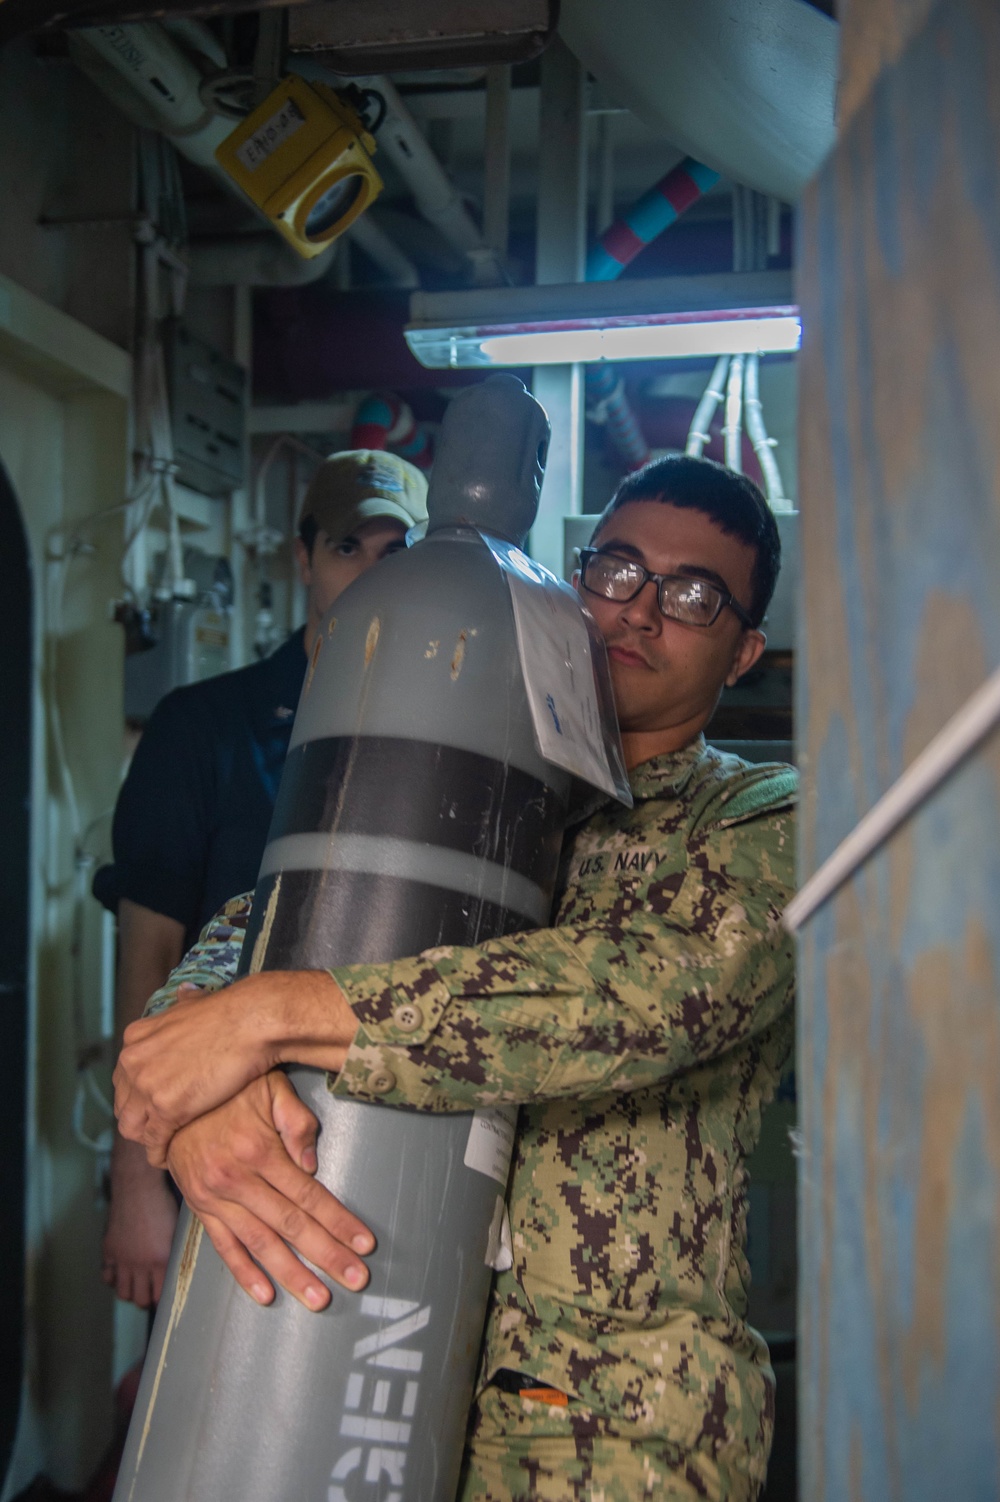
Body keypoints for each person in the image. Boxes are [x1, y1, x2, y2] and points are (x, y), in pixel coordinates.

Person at [114, 455, 797, 1500]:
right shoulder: (467, 788)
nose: (637, 611)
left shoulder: (762, 820)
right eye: (614, 569)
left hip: (610, 1426)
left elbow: (638, 996)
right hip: (377, 1371)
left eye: (691, 593)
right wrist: (197, 1100)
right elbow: (238, 945)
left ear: (743, 648)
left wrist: (271, 1016)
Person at [95, 449, 428, 1308]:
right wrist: (137, 1186)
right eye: (350, 548)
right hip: (211, 1135)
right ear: (303, 558)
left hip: (380, 1133)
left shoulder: (443, 741)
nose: (371, 574)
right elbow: (150, 955)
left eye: (398, 554)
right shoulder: (202, 728)